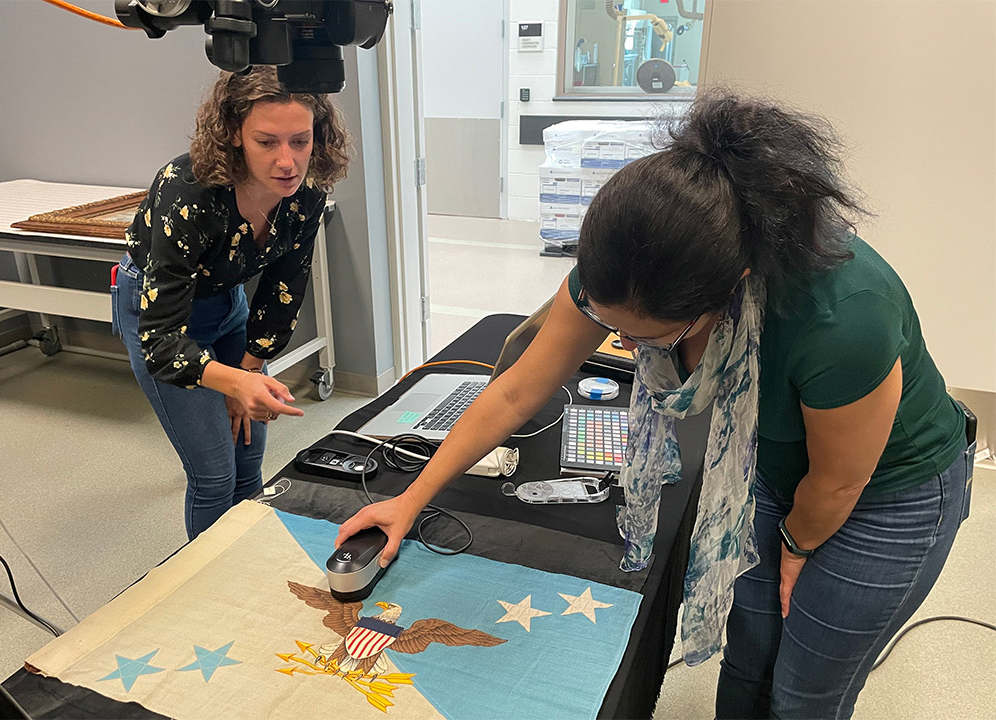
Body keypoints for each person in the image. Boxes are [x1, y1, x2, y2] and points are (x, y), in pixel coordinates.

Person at [336, 92, 972, 718]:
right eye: (614, 327)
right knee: (748, 656)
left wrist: (795, 549)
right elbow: (514, 390)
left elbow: (839, 482)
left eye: (646, 337)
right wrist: (409, 499)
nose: (626, 348)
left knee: (806, 690)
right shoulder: (624, 265)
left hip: (889, 496)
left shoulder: (841, 314)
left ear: (731, 289)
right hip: (770, 470)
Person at [112, 67, 351, 540]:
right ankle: (206, 588)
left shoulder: (307, 194)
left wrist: (250, 370)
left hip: (227, 306)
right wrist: (233, 384)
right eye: (267, 142)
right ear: (234, 136)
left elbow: (285, 289)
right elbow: (161, 340)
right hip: (162, 316)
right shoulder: (187, 191)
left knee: (248, 461)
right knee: (214, 474)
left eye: (300, 141)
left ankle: (245, 564)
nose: (288, 162)